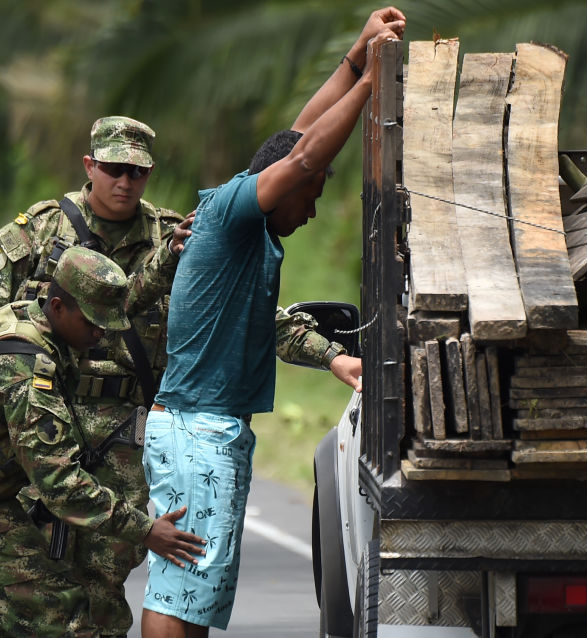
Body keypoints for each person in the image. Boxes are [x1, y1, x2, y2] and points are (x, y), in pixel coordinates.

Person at [0, 116, 362, 635]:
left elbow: (247, 312)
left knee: (103, 593)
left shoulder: (176, 234)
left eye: (136, 173)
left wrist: (330, 355)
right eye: (114, 169)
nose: (124, 182)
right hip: (43, 429)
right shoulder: (37, 232)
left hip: (126, 437)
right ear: (90, 166)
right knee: (33, 590)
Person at [140, 7, 406, 636]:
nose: (311, 211)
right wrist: (374, 80)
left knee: (192, 595)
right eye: (310, 196)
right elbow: (307, 153)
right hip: (197, 428)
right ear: (283, 185)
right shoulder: (236, 211)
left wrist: (356, 53)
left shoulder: (249, 219)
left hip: (206, 426)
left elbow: (299, 136)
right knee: (178, 593)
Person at [0, 246, 207, 637]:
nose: (100, 334)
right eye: (92, 323)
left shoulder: (26, 317)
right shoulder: (29, 372)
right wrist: (147, 530)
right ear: (59, 306)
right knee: (65, 619)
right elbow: (60, 485)